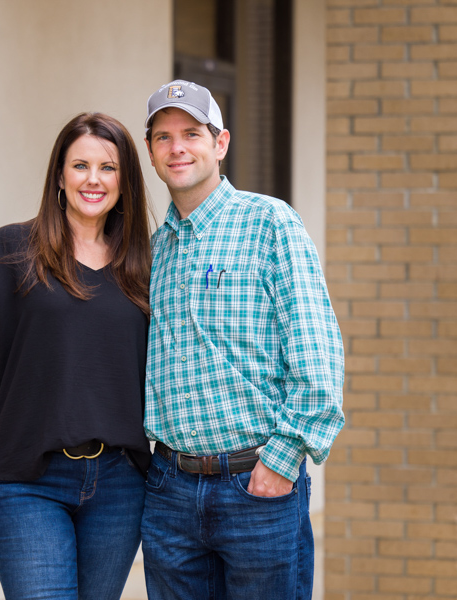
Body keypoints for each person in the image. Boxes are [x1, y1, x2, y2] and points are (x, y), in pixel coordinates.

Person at [139, 79, 345, 599]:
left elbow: (316, 355)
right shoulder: (155, 250)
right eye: (163, 137)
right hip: (169, 490)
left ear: (221, 143)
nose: (177, 147)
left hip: (256, 486)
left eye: (191, 133)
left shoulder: (270, 222)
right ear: (151, 153)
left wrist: (282, 461)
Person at [0, 112, 152, 600]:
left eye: (109, 167)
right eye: (80, 165)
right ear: (59, 174)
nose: (94, 180)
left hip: (120, 485)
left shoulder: (145, 264)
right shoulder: (11, 249)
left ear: (126, 180)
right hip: (26, 479)